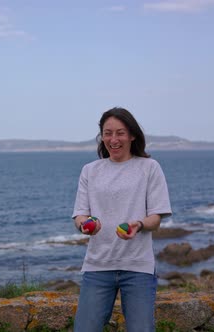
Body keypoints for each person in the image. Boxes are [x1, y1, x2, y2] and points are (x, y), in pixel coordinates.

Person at [72, 107, 172, 332]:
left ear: (132, 135)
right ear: (102, 136)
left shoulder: (149, 168)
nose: (114, 139)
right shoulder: (90, 170)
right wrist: (85, 225)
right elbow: (80, 215)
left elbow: (155, 218)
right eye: (108, 133)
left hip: (138, 267)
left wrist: (139, 224)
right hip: (97, 266)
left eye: (120, 133)